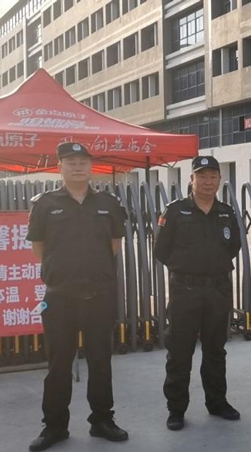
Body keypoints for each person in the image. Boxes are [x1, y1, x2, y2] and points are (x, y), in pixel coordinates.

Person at [27, 142, 128, 452]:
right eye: (70, 162)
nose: (78, 167)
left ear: (91, 166)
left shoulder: (108, 203)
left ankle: (102, 420)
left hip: (99, 296)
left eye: (83, 161)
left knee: (100, 361)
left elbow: (114, 245)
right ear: (60, 167)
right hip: (60, 298)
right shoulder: (45, 204)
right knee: (58, 364)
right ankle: (55, 426)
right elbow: (39, 247)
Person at [154, 156, 241, 431]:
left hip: (217, 289)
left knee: (216, 350)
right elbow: (161, 249)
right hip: (185, 291)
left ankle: (217, 402)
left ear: (219, 180)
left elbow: (234, 246)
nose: (208, 181)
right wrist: (187, 268)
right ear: (191, 179)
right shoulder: (176, 211)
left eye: (213, 176)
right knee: (180, 351)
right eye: (202, 176)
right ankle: (176, 409)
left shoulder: (226, 212)